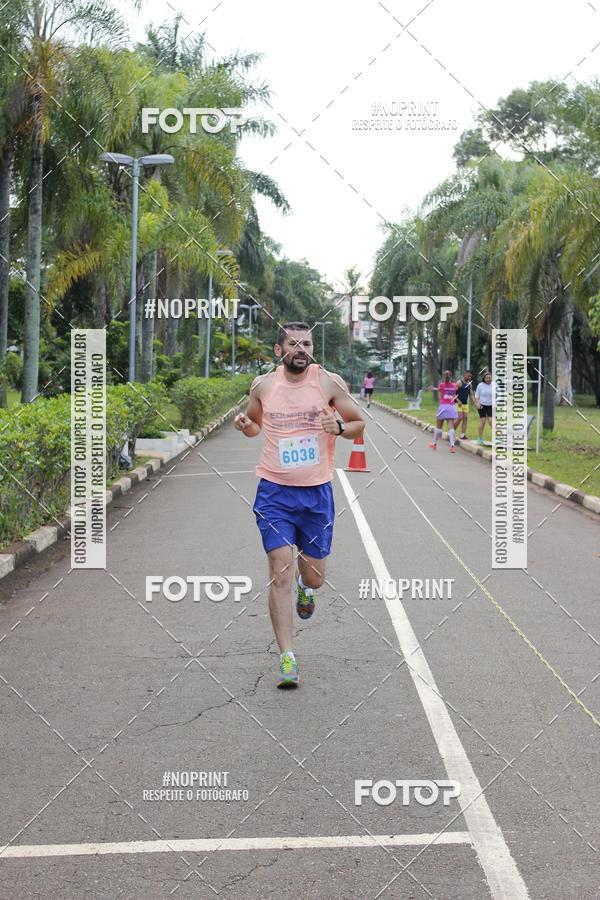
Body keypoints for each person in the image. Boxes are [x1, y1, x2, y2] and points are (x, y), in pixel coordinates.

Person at [233, 322, 365, 689]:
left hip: (316, 493)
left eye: (306, 343)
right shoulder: (263, 385)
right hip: (274, 492)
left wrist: (337, 427)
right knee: (280, 570)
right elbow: (254, 424)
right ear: (280, 351)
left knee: (313, 577)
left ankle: (307, 591)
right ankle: (287, 656)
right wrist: (244, 425)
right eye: (293, 344)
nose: (301, 349)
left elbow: (358, 424)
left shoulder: (329, 383)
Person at [425, 371, 459, 453]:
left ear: (443, 377)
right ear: (451, 376)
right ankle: (452, 446)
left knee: (438, 426)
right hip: (451, 407)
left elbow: (440, 389)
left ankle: (434, 443)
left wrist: (433, 388)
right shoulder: (454, 386)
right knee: (451, 426)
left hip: (443, 407)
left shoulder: (442, 385)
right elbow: (453, 395)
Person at [454, 370, 478, 439]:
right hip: (457, 403)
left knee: (465, 418)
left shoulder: (469, 384)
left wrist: (475, 403)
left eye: (470, 376)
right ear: (464, 375)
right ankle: (452, 431)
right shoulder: (459, 382)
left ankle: (462, 435)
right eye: (468, 376)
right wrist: (458, 400)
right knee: (459, 418)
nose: (469, 377)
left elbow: (471, 394)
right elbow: (452, 392)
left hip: (465, 404)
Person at [475, 371, 496, 444]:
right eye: (487, 378)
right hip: (482, 405)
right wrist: (477, 404)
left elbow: (498, 395)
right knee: (482, 421)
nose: (488, 379)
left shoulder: (495, 385)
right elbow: (477, 396)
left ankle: (496, 438)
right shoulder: (480, 385)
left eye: (490, 378)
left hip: (491, 405)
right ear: (484, 378)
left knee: (491, 421)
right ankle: (480, 438)